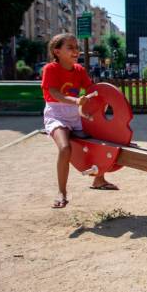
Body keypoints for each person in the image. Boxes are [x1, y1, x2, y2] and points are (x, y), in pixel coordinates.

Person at [42, 33, 118, 209]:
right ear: (57, 51)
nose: (75, 51)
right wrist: (76, 101)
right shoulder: (50, 69)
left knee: (100, 140)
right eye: (70, 47)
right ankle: (62, 192)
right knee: (65, 147)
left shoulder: (79, 70)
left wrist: (104, 101)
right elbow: (54, 93)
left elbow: (91, 89)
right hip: (57, 113)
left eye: (76, 47)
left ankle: (98, 180)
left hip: (75, 113)